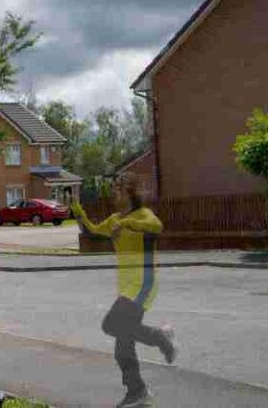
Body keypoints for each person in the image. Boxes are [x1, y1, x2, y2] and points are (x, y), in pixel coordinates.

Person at [71, 174, 177, 408]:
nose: (115, 195)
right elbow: (92, 231)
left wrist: (129, 224)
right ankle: (137, 391)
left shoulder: (143, 215)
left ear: (131, 194)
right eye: (114, 191)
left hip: (144, 282)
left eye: (119, 191)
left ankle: (160, 338)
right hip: (126, 286)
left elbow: (156, 226)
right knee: (122, 346)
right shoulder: (114, 219)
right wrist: (79, 212)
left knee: (110, 325)